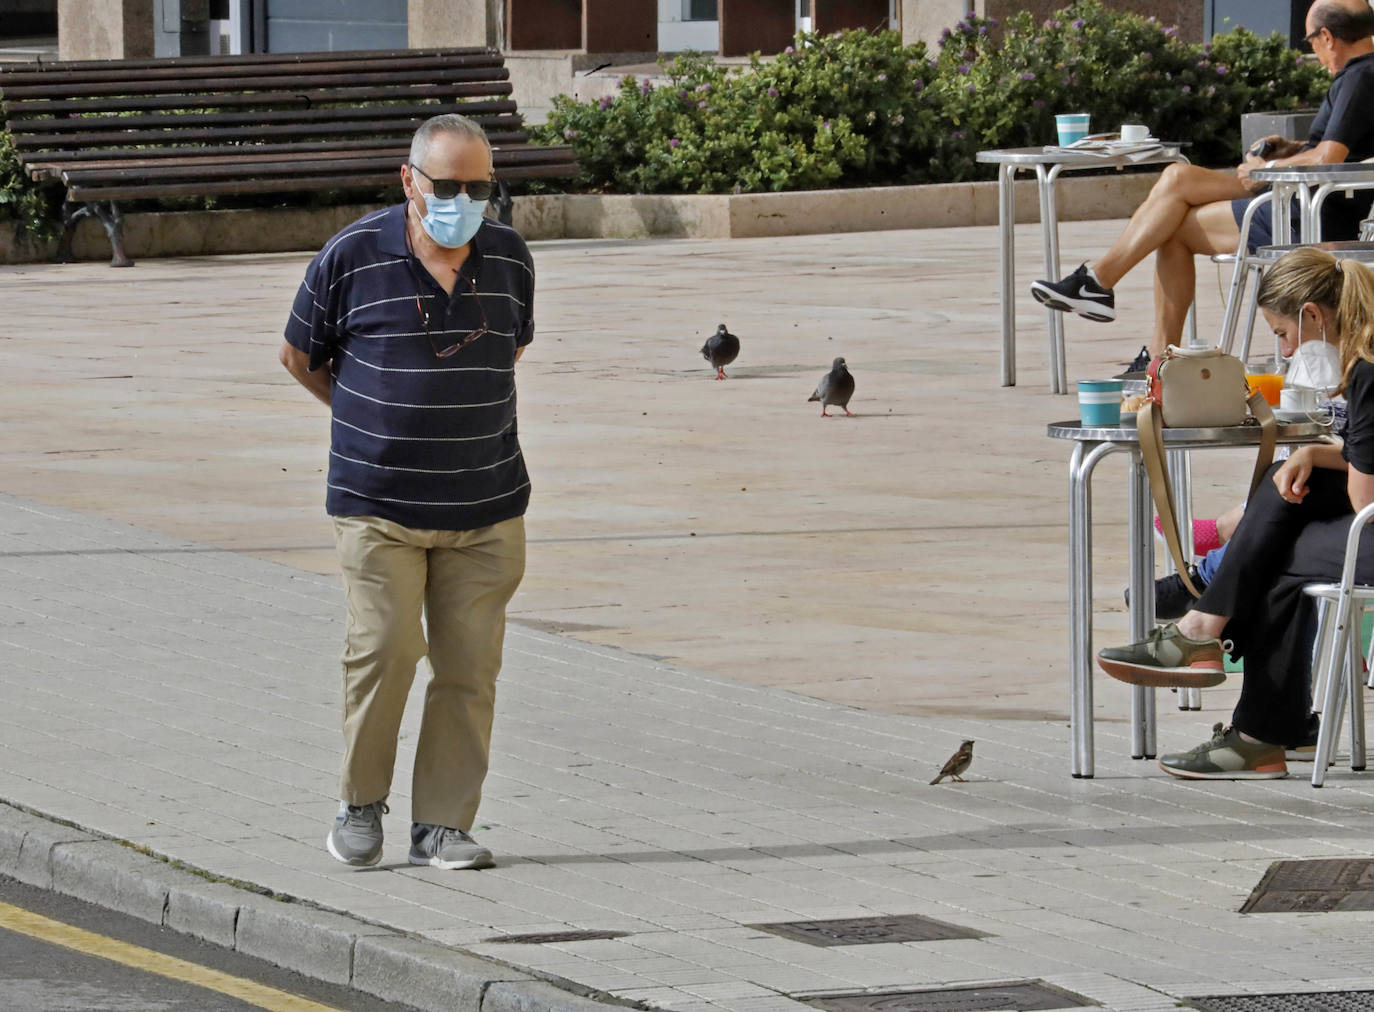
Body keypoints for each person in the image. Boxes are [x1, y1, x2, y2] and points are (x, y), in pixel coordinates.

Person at [279, 113, 535, 868]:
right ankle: (359, 805)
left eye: (479, 186)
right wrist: (370, 418)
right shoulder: (352, 255)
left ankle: (443, 827)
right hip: (377, 504)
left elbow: (509, 352)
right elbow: (300, 357)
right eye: (447, 185)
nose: (463, 199)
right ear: (409, 180)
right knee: (386, 650)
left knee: (469, 671)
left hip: (486, 507)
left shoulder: (512, 258)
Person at [1097, 246, 1374, 779]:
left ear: (1312, 315)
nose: (1286, 350)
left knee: (1277, 555)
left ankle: (1217, 656)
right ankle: (1259, 717)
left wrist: (1329, 458)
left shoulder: (1369, 372)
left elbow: (1366, 501)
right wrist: (1317, 453)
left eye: (1282, 334)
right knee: (1290, 483)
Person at [1030, 0, 1374, 374]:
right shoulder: (1360, 76)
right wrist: (1293, 150)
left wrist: (1269, 167)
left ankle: (1145, 343)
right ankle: (1103, 291)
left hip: (1305, 212)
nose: (1313, 49)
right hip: (1293, 198)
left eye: (1310, 40)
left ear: (1327, 36)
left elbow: (1328, 157)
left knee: (1172, 228)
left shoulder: (1360, 77)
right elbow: (1343, 148)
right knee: (1178, 180)